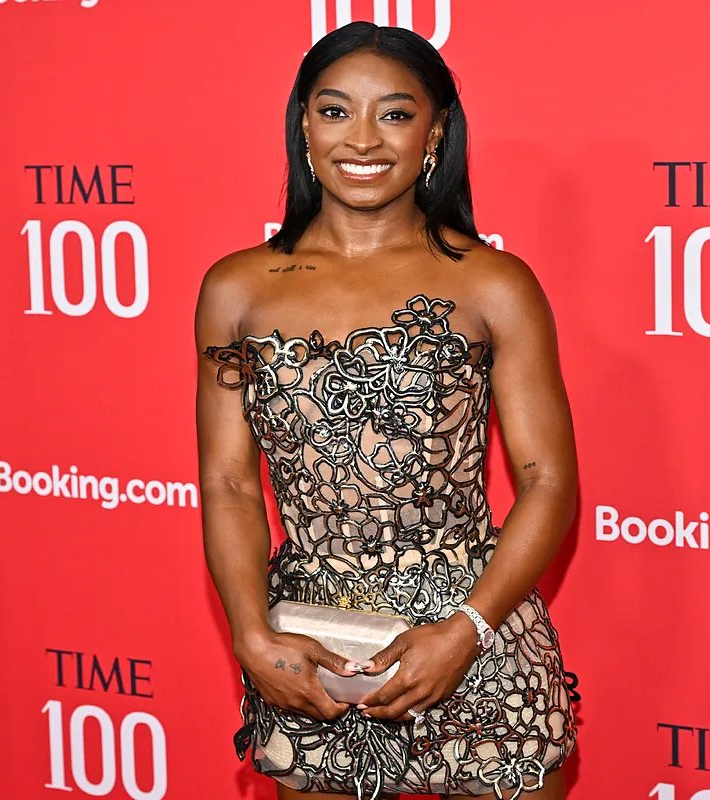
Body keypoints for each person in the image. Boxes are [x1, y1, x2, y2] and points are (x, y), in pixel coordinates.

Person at [195, 21, 581, 800]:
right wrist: (252, 634)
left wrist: (465, 632)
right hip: (307, 652)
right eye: (335, 111)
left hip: (475, 639)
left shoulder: (493, 284)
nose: (362, 139)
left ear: (435, 132)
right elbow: (229, 483)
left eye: (396, 114)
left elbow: (548, 482)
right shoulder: (237, 288)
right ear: (303, 123)